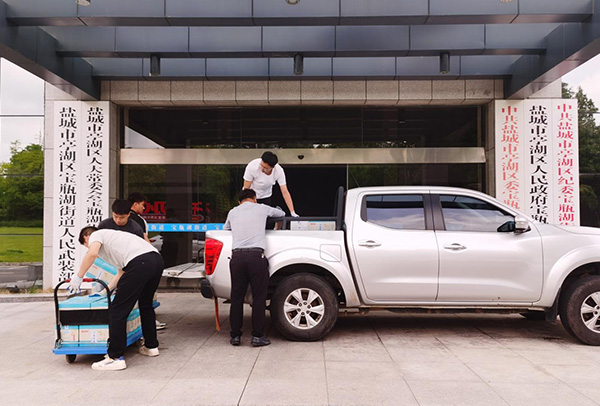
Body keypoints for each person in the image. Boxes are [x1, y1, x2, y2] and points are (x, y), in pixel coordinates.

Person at [67, 227, 164, 371]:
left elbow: (92, 254)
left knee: (117, 310)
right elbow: (121, 273)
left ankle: (115, 357)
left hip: (140, 263)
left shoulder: (96, 234)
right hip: (156, 260)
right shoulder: (116, 241)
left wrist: (79, 276)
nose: (89, 247)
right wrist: (105, 292)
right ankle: (151, 346)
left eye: (86, 245)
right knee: (146, 304)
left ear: (86, 237)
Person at [224, 188, 285, 347]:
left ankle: (235, 336)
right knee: (258, 298)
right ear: (255, 199)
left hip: (237, 258)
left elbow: (226, 228)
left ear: (239, 202)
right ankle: (257, 337)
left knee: (236, 298)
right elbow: (281, 214)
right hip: (256, 258)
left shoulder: (233, 212)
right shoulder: (262, 208)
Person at [127, 191, 167, 330]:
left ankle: (140, 322)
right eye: (142, 205)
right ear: (135, 204)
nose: (144, 208)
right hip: (140, 259)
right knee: (144, 297)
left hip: (131, 259)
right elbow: (142, 238)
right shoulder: (136, 220)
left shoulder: (130, 218)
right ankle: (146, 323)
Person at [243, 151, 299, 217]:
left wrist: (292, 212)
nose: (262, 169)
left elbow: (285, 192)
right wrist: (246, 204)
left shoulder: (279, 171)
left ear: (272, 167)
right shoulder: (252, 166)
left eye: (265, 168)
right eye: (261, 165)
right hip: (251, 196)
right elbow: (246, 188)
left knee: (265, 217)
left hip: (266, 196)